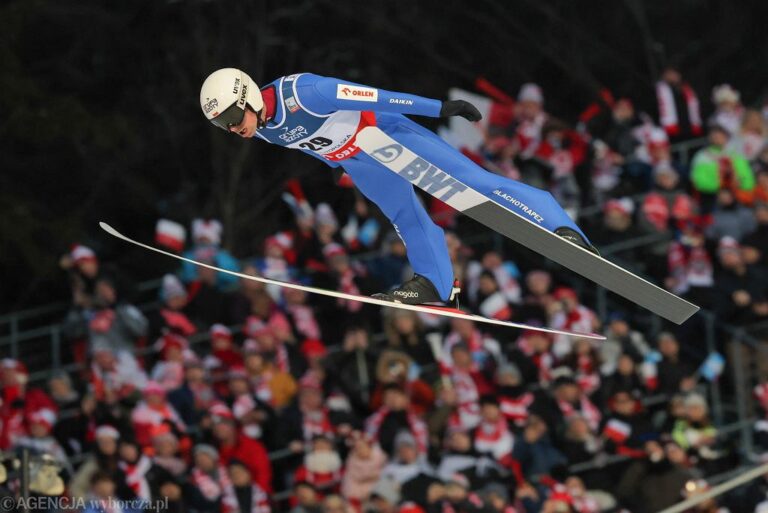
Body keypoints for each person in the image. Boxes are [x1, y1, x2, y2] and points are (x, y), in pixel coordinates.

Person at [199, 69, 596, 306]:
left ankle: (560, 226)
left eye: (234, 116)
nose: (235, 128)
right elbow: (310, 145)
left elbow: (376, 96)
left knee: (470, 182)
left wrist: (440, 108)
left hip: (386, 131)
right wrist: (338, 167)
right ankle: (436, 284)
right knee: (405, 217)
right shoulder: (264, 131)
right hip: (360, 159)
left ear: (246, 95)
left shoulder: (305, 93)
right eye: (224, 126)